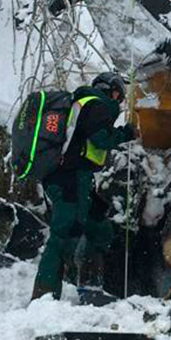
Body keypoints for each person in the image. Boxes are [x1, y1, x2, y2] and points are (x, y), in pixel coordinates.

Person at [32, 72, 135, 300]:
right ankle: (44, 295)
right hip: (69, 178)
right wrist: (127, 133)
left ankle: (90, 286)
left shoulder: (82, 103)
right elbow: (101, 139)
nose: (120, 100)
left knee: (99, 227)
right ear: (112, 90)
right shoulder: (98, 104)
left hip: (73, 179)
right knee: (64, 235)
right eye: (120, 94)